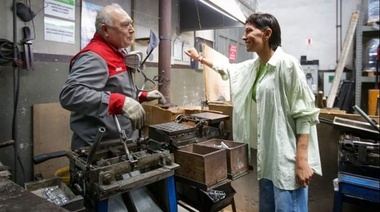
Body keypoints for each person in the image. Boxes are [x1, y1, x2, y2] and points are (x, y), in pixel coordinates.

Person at [185, 13, 322, 211]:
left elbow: (305, 114)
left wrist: (302, 161)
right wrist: (199, 58)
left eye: (249, 31)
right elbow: (228, 68)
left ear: (267, 33)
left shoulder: (287, 64)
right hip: (267, 160)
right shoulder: (254, 67)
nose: (243, 36)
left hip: (287, 161)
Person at [60, 3, 166, 150]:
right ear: (105, 30)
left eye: (131, 24)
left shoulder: (118, 52)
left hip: (120, 143)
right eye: (125, 25)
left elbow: (114, 88)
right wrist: (120, 102)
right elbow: (71, 95)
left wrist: (141, 95)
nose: (132, 30)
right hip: (99, 149)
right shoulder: (94, 56)